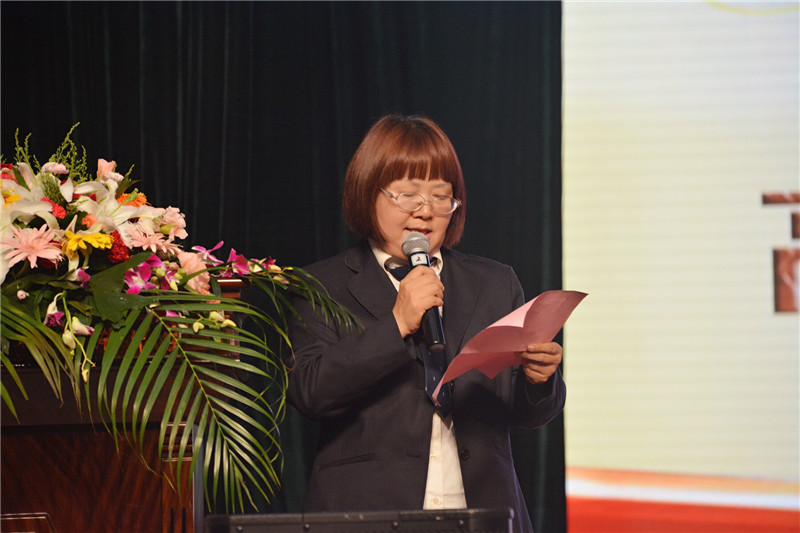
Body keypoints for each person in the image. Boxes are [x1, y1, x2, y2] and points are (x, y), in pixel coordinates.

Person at [285, 114, 565, 533]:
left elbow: (523, 412)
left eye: (440, 197)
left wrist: (539, 381)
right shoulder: (320, 285)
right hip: (367, 515)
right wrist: (397, 323)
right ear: (369, 192)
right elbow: (310, 391)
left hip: (483, 511)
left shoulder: (494, 282)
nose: (425, 212)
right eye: (408, 195)